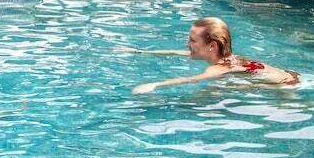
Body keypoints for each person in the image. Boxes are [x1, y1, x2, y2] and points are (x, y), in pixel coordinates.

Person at [127, 17, 299, 93]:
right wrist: (140, 52)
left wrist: (154, 85)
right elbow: (178, 52)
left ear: (212, 46)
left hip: (286, 86)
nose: (188, 44)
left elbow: (191, 79)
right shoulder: (230, 58)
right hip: (291, 75)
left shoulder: (216, 69)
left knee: (213, 90)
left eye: (193, 40)